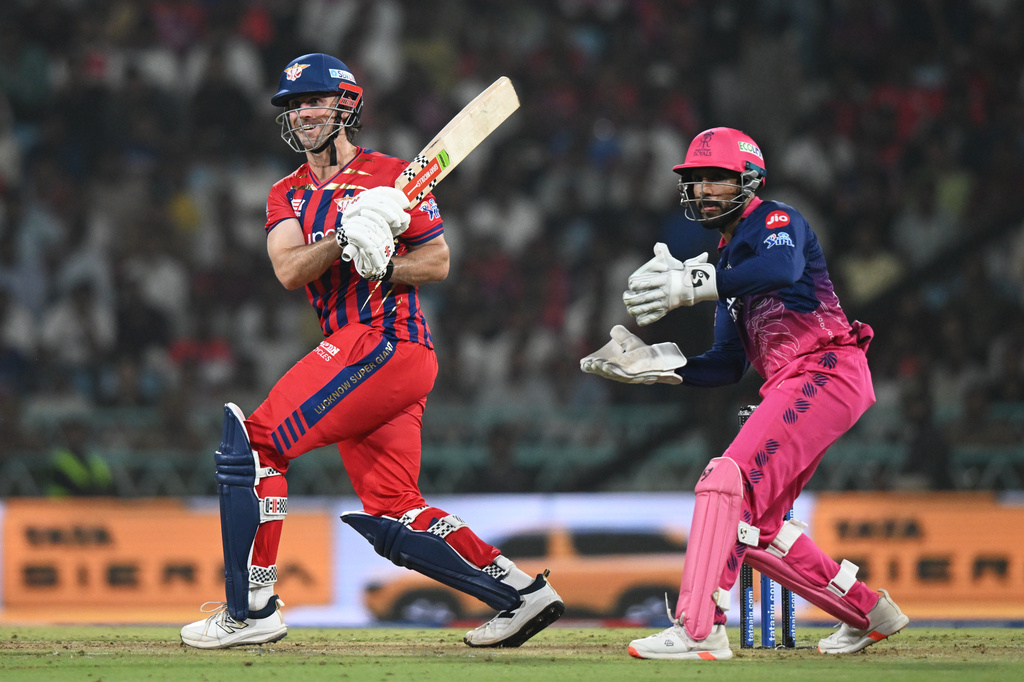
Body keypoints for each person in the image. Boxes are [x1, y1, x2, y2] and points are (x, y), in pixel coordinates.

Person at [180, 53, 563, 649]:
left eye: (314, 101)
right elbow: (287, 269)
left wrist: (384, 262)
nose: (303, 113)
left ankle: (252, 607)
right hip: (366, 354)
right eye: (293, 105)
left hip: (386, 339)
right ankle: (519, 593)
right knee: (395, 508)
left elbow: (436, 263)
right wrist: (343, 238)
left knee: (257, 447)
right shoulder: (284, 194)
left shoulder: (393, 176)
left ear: (346, 106)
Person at [580, 127, 909, 660]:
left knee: (724, 480)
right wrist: (656, 367)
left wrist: (695, 281)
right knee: (754, 529)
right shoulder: (730, 263)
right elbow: (728, 364)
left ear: (748, 180)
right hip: (806, 381)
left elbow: (781, 268)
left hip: (823, 369)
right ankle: (869, 611)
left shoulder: (777, 219)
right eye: (696, 180)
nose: (704, 189)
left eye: (716, 178)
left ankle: (698, 629)